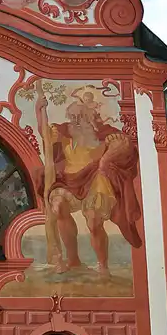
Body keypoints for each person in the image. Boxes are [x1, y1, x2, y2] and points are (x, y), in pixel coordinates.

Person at [47, 101, 141, 276]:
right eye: (73, 116)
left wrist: (108, 156)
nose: (76, 120)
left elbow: (126, 145)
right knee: (59, 205)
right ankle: (73, 260)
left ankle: (103, 265)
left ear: (88, 117)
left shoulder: (103, 133)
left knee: (94, 220)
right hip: (69, 180)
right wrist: (39, 110)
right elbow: (44, 133)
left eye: (80, 116)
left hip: (95, 178)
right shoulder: (63, 132)